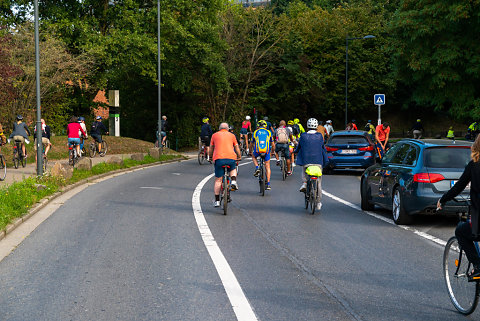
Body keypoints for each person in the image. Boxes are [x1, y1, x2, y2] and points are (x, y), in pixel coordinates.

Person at [437, 135, 480, 280]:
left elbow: (458, 188)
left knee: (461, 231)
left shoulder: (474, 165)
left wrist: (442, 200)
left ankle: (478, 267)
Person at [294, 118, 329, 211]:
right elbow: (323, 148)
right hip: (318, 162)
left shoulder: (303, 136)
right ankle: (318, 203)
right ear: (316, 126)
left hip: (306, 161)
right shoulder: (320, 136)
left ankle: (305, 183)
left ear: (307, 126)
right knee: (319, 182)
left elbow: (298, 147)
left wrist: (295, 151)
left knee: (304, 170)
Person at [209, 122, 242, 207]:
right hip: (231, 158)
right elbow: (236, 147)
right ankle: (234, 181)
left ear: (219, 128)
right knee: (233, 169)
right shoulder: (232, 135)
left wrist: (210, 157)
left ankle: (217, 201)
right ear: (227, 129)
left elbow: (211, 147)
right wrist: (239, 156)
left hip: (219, 159)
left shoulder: (214, 135)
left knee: (218, 180)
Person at [252, 120, 274, 190]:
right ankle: (268, 183)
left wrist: (250, 151)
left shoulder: (255, 132)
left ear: (258, 126)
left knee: (253, 156)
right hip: (266, 151)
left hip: (258, 150)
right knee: (267, 166)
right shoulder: (269, 132)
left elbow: (251, 143)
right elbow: (273, 144)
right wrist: (272, 152)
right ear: (265, 126)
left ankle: (257, 167)